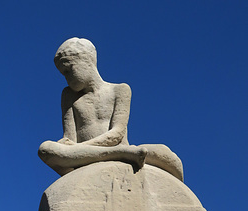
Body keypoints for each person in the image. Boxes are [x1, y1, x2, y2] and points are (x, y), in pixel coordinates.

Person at [39, 38, 183, 181]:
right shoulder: (68, 96)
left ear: (87, 61)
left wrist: (78, 148)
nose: (67, 78)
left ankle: (119, 153)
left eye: (69, 70)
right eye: (64, 74)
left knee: (165, 153)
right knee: (45, 149)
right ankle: (120, 154)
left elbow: (117, 133)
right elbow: (69, 138)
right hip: (88, 155)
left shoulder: (120, 90)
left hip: (92, 150)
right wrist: (69, 147)